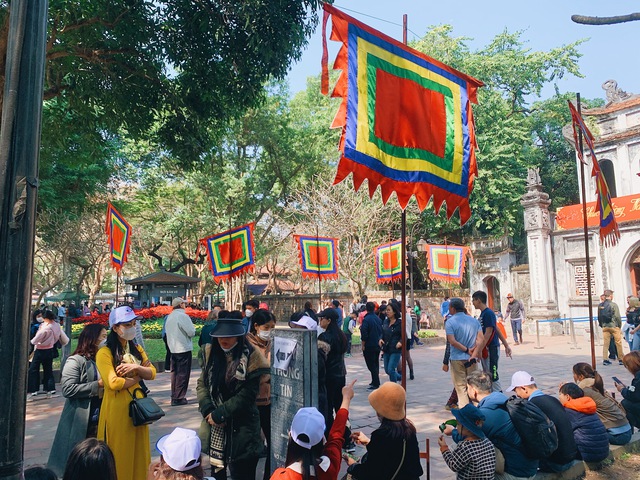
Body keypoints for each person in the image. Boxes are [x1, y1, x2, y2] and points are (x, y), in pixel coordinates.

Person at [197, 317, 269, 479]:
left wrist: (220, 413)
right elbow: (202, 385)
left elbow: (247, 396)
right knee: (217, 475)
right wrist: (209, 410)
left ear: (238, 336)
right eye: (220, 336)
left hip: (243, 431)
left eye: (229, 336)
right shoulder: (210, 354)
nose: (223, 340)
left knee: (243, 474)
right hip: (215, 428)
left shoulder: (252, 358)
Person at [97, 305, 157, 480]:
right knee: (119, 453)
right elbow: (113, 383)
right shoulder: (104, 353)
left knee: (140, 452)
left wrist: (135, 367)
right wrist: (139, 376)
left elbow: (152, 372)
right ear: (115, 328)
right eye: (127, 324)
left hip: (138, 408)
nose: (132, 328)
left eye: (133, 323)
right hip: (117, 410)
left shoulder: (136, 348)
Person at [47, 323, 107, 476]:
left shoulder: (103, 359)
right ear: (92, 338)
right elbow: (68, 389)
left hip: (103, 413)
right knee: (81, 455)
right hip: (83, 416)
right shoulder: (76, 360)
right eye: (103, 336)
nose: (105, 339)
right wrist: (97, 385)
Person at [271, 380, 356, 480]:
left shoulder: (281, 476)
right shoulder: (329, 467)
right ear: (322, 440)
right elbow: (336, 434)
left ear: (290, 435)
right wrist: (346, 398)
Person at [464, 371, 538, 479]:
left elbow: (467, 436)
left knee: (463, 451)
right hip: (531, 467)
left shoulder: (485, 415)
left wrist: (452, 432)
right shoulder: (504, 400)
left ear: (474, 390)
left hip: (517, 474)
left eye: (467, 388)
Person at [344, 382, 423, 479]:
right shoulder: (409, 430)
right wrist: (369, 443)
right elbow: (391, 455)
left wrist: (353, 465)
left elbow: (371, 473)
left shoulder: (381, 435)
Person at [507, 371, 578, 473]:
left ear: (524, 388)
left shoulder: (531, 406)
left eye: (516, 391)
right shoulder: (552, 399)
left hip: (557, 463)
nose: (517, 395)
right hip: (571, 457)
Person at [317, 308, 354, 452]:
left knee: (327, 410)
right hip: (340, 375)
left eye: (322, 318)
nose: (320, 321)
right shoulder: (342, 336)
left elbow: (320, 361)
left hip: (328, 377)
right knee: (340, 408)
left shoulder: (325, 337)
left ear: (329, 320)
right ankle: (348, 439)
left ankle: (333, 439)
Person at [246, 309, 275, 480]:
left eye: (272, 327)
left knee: (273, 444)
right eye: (266, 327)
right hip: (252, 402)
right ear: (256, 326)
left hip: (269, 401)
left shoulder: (271, 343)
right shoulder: (247, 345)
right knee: (253, 446)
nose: (269, 331)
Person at [571, 362, 632, 445]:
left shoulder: (585, 391)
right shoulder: (596, 385)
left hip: (618, 436)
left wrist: (564, 391)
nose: (573, 376)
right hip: (627, 430)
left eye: (574, 374)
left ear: (580, 376)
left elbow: (571, 405)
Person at [438, 404, 496, 480]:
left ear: (467, 428)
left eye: (458, 424)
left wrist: (444, 447)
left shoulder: (465, 447)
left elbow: (453, 465)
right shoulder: (487, 442)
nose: (457, 427)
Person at [444, 298, 483, 408]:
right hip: (472, 359)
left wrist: (466, 350)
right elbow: (481, 340)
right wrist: (474, 353)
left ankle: (465, 413)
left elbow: (452, 341)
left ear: (452, 308)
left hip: (457, 358)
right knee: (474, 386)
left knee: (461, 389)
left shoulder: (450, 322)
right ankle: (478, 411)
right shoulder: (474, 321)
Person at [558, 382, 609, 463]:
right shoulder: (587, 406)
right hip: (604, 451)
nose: (559, 397)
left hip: (588, 454)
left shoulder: (569, 411)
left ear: (567, 397)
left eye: (560, 394)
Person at [472, 290, 512, 392]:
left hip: (491, 348)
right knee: (487, 373)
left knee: (492, 373)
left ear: (479, 300)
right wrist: (506, 345)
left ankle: (499, 395)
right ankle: (492, 394)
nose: (472, 302)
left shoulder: (488, 313)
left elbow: (489, 332)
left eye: (474, 300)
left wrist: (479, 349)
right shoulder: (484, 314)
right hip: (486, 347)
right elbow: (496, 329)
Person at [28, 310, 68, 400]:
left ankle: (33, 389)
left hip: (40, 350)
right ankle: (50, 388)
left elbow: (35, 340)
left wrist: (32, 342)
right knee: (48, 370)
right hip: (50, 349)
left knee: (33, 369)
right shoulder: (56, 325)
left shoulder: (45, 328)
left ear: (46, 318)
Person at [165, 297, 196, 406]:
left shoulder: (170, 316)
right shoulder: (183, 316)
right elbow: (191, 332)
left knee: (175, 373)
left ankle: (174, 395)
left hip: (173, 348)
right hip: (183, 348)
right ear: (181, 304)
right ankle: (179, 397)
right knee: (183, 374)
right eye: (184, 304)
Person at [615, 351, 640, 430]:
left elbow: (633, 396)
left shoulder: (638, 377)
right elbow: (636, 391)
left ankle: (630, 429)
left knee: (624, 403)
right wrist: (628, 388)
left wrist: (622, 390)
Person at [360, 302, 382, 391]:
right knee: (375, 363)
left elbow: (364, 333)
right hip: (377, 344)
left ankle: (375, 383)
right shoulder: (378, 319)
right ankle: (375, 380)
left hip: (369, 345)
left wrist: (363, 345)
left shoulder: (366, 319)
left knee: (371, 364)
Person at [379, 302, 403, 383]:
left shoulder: (400, 323)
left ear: (394, 311)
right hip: (386, 348)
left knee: (391, 369)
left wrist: (400, 342)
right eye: (386, 310)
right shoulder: (385, 322)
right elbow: (382, 333)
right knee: (387, 370)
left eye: (389, 310)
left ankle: (394, 388)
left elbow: (404, 336)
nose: (387, 312)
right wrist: (380, 339)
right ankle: (400, 377)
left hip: (395, 349)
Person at [598, 289, 624, 365]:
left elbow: (599, 316)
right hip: (613, 326)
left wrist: (601, 325)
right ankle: (621, 359)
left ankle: (605, 359)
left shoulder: (600, 305)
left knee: (606, 344)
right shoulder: (613, 305)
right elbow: (617, 317)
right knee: (618, 342)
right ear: (611, 296)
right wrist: (619, 326)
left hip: (605, 326)